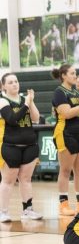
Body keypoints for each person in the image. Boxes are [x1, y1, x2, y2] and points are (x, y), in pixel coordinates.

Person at [0, 73, 42, 222]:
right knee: (8, 180)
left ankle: (28, 210)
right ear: (3, 86)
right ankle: (3, 212)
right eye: (10, 82)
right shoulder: (2, 101)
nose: (14, 84)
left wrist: (31, 102)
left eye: (16, 81)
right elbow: (12, 119)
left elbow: (36, 118)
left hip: (30, 145)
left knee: (26, 179)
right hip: (11, 146)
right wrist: (26, 104)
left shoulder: (26, 99)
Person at [51, 64, 79, 216]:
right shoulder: (59, 92)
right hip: (66, 133)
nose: (76, 76)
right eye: (73, 73)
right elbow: (67, 113)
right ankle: (63, 204)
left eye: (76, 73)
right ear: (63, 76)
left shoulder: (77, 92)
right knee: (66, 170)